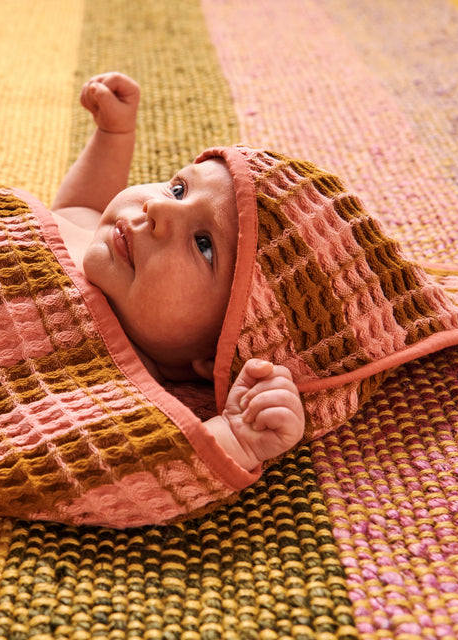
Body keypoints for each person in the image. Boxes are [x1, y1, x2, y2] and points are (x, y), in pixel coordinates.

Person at [49, 72, 306, 472]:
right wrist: (112, 135)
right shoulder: (96, 237)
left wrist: (234, 438)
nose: (159, 209)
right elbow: (75, 210)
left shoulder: (119, 379)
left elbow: (120, 466)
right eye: (179, 189)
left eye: (204, 245)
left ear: (216, 352)